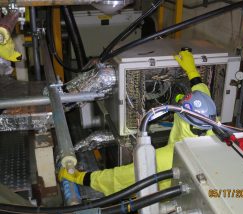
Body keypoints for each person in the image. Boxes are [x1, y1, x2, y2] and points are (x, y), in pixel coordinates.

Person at [59, 50, 216, 196]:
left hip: (168, 195)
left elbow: (120, 178)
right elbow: (199, 87)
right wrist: (191, 70)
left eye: (179, 104)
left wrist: (81, 178)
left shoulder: (170, 157)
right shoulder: (209, 120)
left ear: (183, 114)